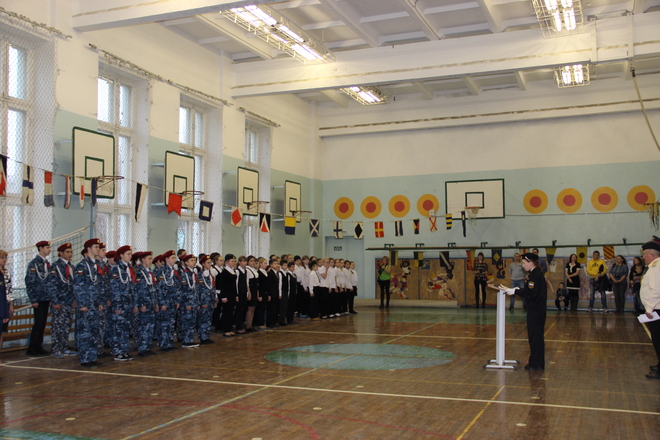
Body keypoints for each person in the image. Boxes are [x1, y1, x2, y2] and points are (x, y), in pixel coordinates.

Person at [493, 252, 547, 370]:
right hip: (537, 310)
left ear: (530, 262)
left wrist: (515, 291)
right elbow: (530, 290)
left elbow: (531, 293)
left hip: (535, 310)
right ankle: (536, 362)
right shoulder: (536, 274)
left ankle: (536, 364)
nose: (523, 265)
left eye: (524, 263)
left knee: (535, 337)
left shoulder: (534, 276)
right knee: (535, 337)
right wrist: (516, 289)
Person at [73, 238, 105, 367]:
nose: (98, 249)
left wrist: (101, 301)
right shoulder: (81, 266)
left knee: (94, 331)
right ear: (89, 249)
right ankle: (85, 358)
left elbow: (100, 285)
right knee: (85, 332)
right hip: (86, 304)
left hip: (94, 304)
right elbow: (78, 286)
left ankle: (92, 356)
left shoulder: (96, 265)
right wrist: (82, 304)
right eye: (95, 247)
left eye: (98, 247)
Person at [48, 243, 77, 359]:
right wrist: (55, 301)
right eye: (67, 252)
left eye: (70, 252)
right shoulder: (55, 267)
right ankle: (56, 349)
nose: (69, 254)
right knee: (57, 326)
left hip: (69, 301)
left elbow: (73, 285)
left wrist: (74, 299)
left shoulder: (71, 267)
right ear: (60, 253)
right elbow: (51, 286)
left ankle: (64, 347)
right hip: (60, 301)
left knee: (66, 325)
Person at [109, 246, 137, 362]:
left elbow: (132, 288)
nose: (130, 256)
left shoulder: (129, 268)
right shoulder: (116, 269)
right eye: (128, 254)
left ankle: (124, 351)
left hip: (128, 304)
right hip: (120, 304)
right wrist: (117, 305)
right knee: (118, 328)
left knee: (125, 328)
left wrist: (134, 304)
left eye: (131, 254)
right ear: (121, 255)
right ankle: (117, 352)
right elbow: (114, 289)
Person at [25, 240, 52, 356]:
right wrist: (33, 299)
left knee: (43, 323)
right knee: (38, 322)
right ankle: (32, 348)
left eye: (49, 248)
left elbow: (49, 281)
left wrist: (50, 297)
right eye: (47, 247)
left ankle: (39, 346)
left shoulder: (47, 263)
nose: (49, 250)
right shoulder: (34, 264)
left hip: (45, 298)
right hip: (38, 298)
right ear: (40, 248)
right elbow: (29, 282)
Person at [639, 237, 660, 379]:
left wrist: (649, 309)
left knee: (658, 339)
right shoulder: (655, 266)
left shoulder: (656, 267)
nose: (643, 257)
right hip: (655, 308)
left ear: (651, 255)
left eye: (645, 254)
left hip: (656, 309)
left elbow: (656, 290)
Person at [135, 251, 158, 356]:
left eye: (151, 258)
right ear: (143, 260)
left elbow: (153, 288)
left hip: (151, 303)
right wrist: (141, 304)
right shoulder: (139, 272)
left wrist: (155, 303)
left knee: (150, 326)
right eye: (148, 258)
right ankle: (142, 348)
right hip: (144, 303)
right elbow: (139, 290)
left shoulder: (150, 272)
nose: (150, 260)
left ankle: (147, 346)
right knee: (143, 327)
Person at [156, 250, 180, 351]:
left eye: (175, 258)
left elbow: (177, 287)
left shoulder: (173, 272)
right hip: (165, 302)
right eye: (172, 258)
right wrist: (162, 303)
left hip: (172, 301)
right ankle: (163, 344)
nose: (174, 260)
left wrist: (177, 301)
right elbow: (159, 289)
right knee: (164, 324)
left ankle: (170, 343)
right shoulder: (161, 271)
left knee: (171, 323)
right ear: (166, 259)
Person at [179, 254, 199, 347]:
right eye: (191, 260)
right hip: (187, 302)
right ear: (186, 263)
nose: (194, 262)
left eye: (194, 260)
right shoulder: (184, 274)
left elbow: (195, 289)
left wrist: (197, 302)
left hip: (193, 301)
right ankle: (186, 341)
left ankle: (190, 339)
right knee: (187, 321)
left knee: (192, 322)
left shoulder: (193, 273)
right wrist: (186, 303)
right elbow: (183, 290)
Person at [0, 249, 15, 371]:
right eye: (2, 257)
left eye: (5, 257)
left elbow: (9, 290)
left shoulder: (6, 273)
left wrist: (10, 305)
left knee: (1, 332)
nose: (4, 260)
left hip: (4, 305)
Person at [197, 255, 216, 344]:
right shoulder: (200, 275)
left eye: (210, 263)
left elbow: (213, 287)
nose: (210, 264)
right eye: (208, 263)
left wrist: (214, 299)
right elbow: (200, 290)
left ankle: (207, 336)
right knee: (203, 319)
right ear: (203, 264)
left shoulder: (210, 274)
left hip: (210, 300)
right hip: (204, 300)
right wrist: (202, 301)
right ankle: (203, 337)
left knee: (208, 319)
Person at [218, 254, 238, 336]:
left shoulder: (233, 271)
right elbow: (222, 285)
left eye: (234, 261)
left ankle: (229, 329)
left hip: (232, 294)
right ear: (226, 262)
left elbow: (234, 285)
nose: (233, 263)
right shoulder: (224, 272)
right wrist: (223, 297)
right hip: (226, 295)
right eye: (232, 261)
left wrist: (236, 295)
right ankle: (226, 329)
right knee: (226, 312)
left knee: (231, 312)